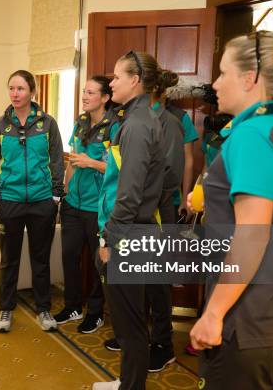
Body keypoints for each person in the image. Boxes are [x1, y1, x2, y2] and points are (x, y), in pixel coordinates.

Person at [188, 30, 273, 389]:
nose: (215, 83)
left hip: (247, 318)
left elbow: (252, 234)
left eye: (222, 73)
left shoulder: (251, 136)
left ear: (250, 78)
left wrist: (214, 312)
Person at [93, 50, 170, 390]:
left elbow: (130, 193)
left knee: (131, 325)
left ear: (135, 80)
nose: (111, 82)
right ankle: (128, 380)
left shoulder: (138, 125)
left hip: (130, 234)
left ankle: (132, 385)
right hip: (132, 231)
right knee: (128, 322)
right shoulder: (136, 118)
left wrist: (110, 238)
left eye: (117, 77)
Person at [0, 70, 65, 333]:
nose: (15, 94)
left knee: (40, 260)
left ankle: (44, 310)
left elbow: (56, 161)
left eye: (20, 89)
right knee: (9, 259)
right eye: (11, 88)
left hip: (42, 202)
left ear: (33, 92)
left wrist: (54, 197)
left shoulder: (47, 124)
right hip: (10, 203)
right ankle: (5, 310)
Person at [53, 76, 119, 334]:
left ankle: (95, 311)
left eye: (90, 92)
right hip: (73, 204)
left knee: (97, 262)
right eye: (83, 91)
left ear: (104, 98)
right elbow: (71, 161)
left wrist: (91, 163)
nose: (84, 96)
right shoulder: (80, 122)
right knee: (68, 256)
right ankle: (72, 306)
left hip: (97, 207)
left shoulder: (115, 126)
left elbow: (119, 167)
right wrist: (63, 194)